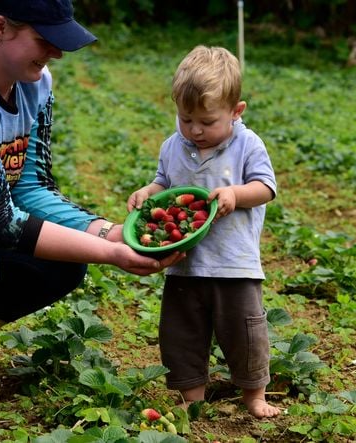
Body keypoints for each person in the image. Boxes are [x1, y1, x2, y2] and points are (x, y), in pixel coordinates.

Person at [0, 0, 184, 435]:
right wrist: (110, 253)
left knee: (57, 264)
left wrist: (109, 232)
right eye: (45, 40)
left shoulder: (32, 83)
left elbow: (29, 185)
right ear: (1, 28)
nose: (56, 53)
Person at [126, 45, 280, 418]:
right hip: (184, 260)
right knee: (181, 334)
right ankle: (191, 397)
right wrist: (149, 192)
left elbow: (266, 188)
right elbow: (164, 181)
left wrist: (234, 194)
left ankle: (254, 394)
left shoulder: (247, 145)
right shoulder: (173, 146)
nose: (195, 130)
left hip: (233, 264)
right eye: (185, 119)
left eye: (207, 122)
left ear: (235, 111)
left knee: (245, 332)